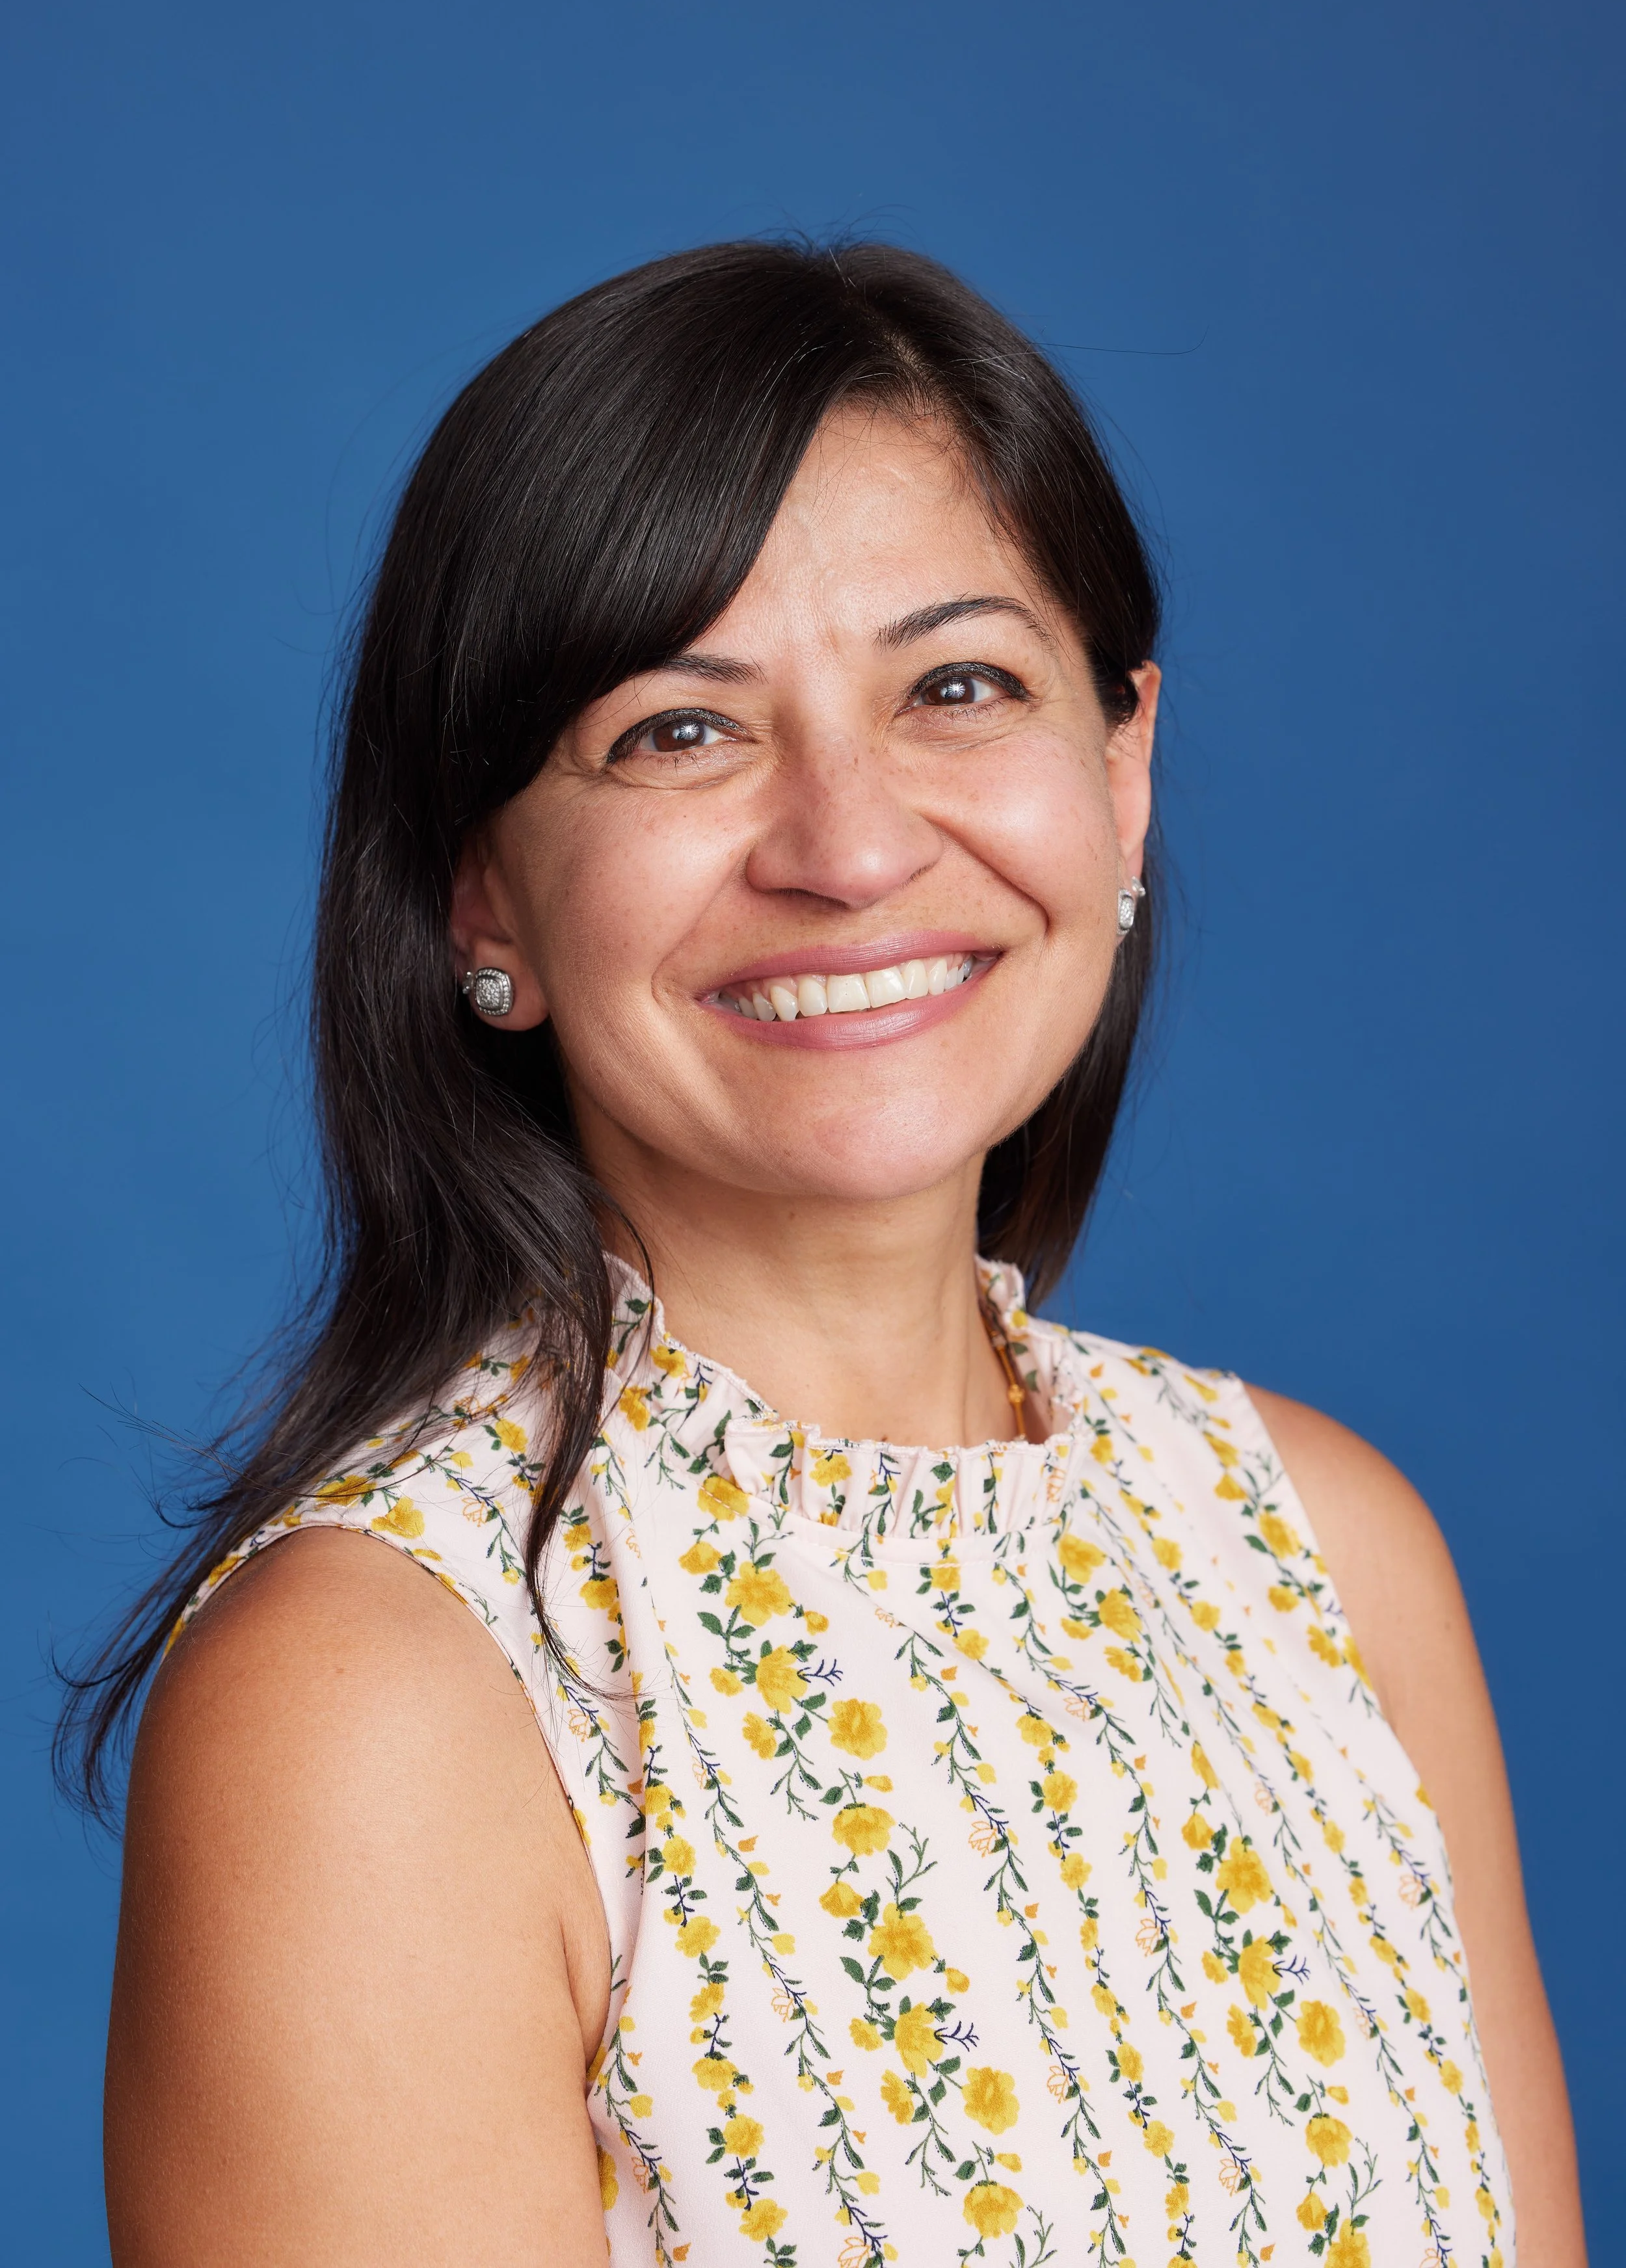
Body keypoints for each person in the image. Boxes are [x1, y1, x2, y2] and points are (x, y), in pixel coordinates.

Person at [78, 241, 1583, 2267]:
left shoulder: (1326, 1550)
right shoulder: (385, 1698)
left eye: (955, 685)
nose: (849, 844)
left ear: (1121, 773)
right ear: (477, 896)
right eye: (678, 733)